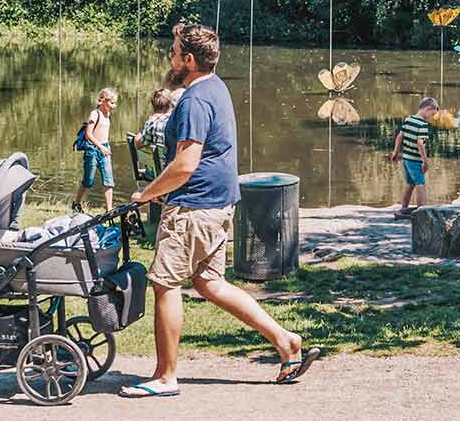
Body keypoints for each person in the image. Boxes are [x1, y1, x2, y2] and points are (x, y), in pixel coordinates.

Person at [122, 23, 318, 398]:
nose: (170, 56)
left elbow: (186, 164)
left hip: (194, 208)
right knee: (209, 283)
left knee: (165, 284)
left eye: (175, 50)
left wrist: (147, 194)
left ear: (189, 59)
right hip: (218, 204)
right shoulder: (216, 87)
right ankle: (286, 341)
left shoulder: (194, 100)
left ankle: (165, 377)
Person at [389, 97, 438, 216]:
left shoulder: (408, 119)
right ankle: (422, 214)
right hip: (415, 161)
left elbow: (399, 137)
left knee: (410, 185)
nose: (431, 117)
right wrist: (425, 162)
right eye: (432, 114)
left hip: (406, 159)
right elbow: (420, 143)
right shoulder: (422, 125)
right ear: (428, 109)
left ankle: (403, 209)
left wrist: (395, 153)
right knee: (420, 185)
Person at [74, 88, 118, 213]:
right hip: (92, 149)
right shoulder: (95, 114)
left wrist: (105, 147)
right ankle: (76, 203)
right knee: (88, 181)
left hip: (105, 148)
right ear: (102, 101)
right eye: (111, 103)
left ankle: (109, 211)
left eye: (114, 103)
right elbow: (88, 135)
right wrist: (101, 147)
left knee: (108, 180)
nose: (114, 106)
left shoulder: (107, 114)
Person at [133, 88, 175, 157]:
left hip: (160, 165)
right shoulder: (177, 121)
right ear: (171, 104)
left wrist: (140, 133)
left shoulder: (153, 122)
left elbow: (138, 144)